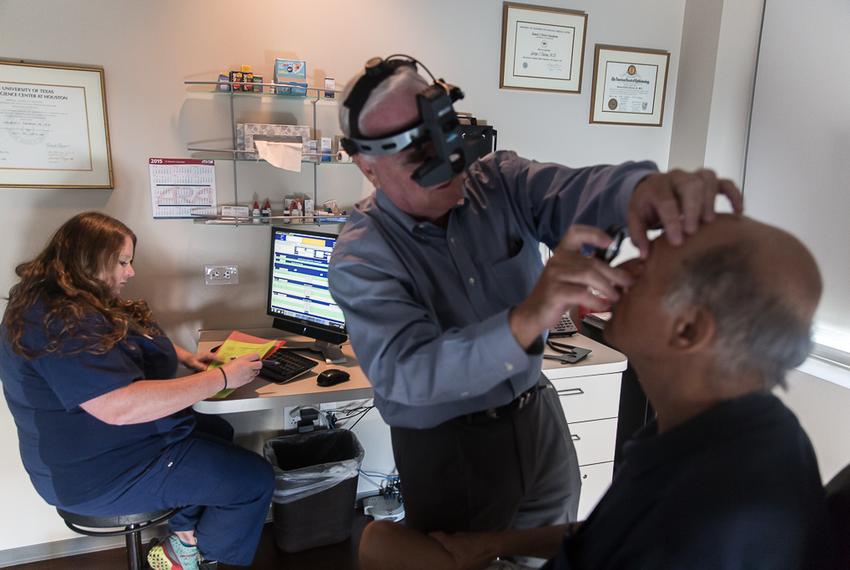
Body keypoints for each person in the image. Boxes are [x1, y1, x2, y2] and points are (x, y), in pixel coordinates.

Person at [328, 54, 743, 543]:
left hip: (538, 417)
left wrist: (641, 190)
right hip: (449, 451)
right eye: (418, 155)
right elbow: (408, 373)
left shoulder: (498, 181)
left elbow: (578, 191)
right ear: (367, 166)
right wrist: (527, 318)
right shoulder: (364, 256)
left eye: (448, 136)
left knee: (552, 551)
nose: (449, 162)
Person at [357, 215, 836, 570]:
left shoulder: (707, 524)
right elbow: (614, 529)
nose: (621, 273)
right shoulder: (748, 431)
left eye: (646, 269)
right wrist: (492, 544)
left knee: (380, 544)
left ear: (688, 328)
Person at [0, 212, 275, 570]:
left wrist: (187, 357)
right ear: (89, 259)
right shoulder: (59, 323)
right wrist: (221, 378)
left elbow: (123, 337)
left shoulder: (63, 299)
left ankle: (183, 537)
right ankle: (203, 557)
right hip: (100, 473)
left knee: (218, 430)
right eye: (123, 262)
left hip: (103, 449)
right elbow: (118, 407)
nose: (130, 272)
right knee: (253, 479)